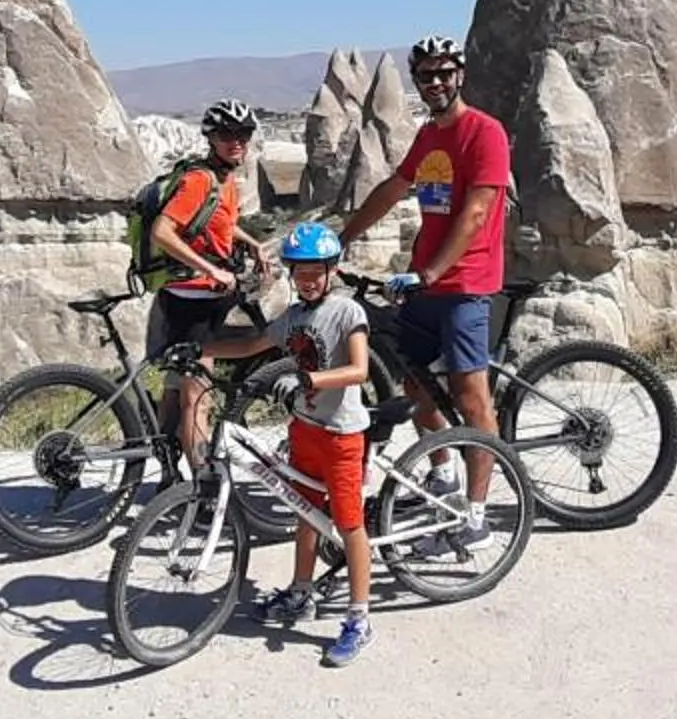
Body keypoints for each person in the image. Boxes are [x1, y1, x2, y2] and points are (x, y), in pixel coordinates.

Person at [340, 34, 506, 554]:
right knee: (412, 384)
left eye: (443, 73)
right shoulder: (430, 136)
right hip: (426, 280)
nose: (435, 82)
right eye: (426, 75)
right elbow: (394, 188)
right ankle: (442, 473)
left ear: (460, 74)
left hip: (465, 283)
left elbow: (476, 213)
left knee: (471, 397)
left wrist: (431, 272)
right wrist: (341, 237)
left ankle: (476, 518)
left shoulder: (484, 132)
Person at [198, 221, 376, 667]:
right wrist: (203, 349)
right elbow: (256, 343)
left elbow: (359, 370)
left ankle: (359, 617)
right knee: (305, 513)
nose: (308, 279)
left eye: (316, 270)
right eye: (300, 272)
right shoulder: (294, 317)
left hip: (341, 435)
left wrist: (307, 377)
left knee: (350, 525)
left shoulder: (347, 313)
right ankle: (300, 592)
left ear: (332, 269)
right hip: (306, 429)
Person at [145, 99, 269, 477]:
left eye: (243, 135)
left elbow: (216, 222)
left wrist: (250, 241)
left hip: (203, 298)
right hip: (193, 300)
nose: (237, 142)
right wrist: (208, 270)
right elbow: (163, 232)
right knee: (196, 399)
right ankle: (202, 487)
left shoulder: (224, 179)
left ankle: (168, 474)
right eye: (227, 135)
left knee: (176, 388)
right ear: (212, 138)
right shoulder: (199, 179)